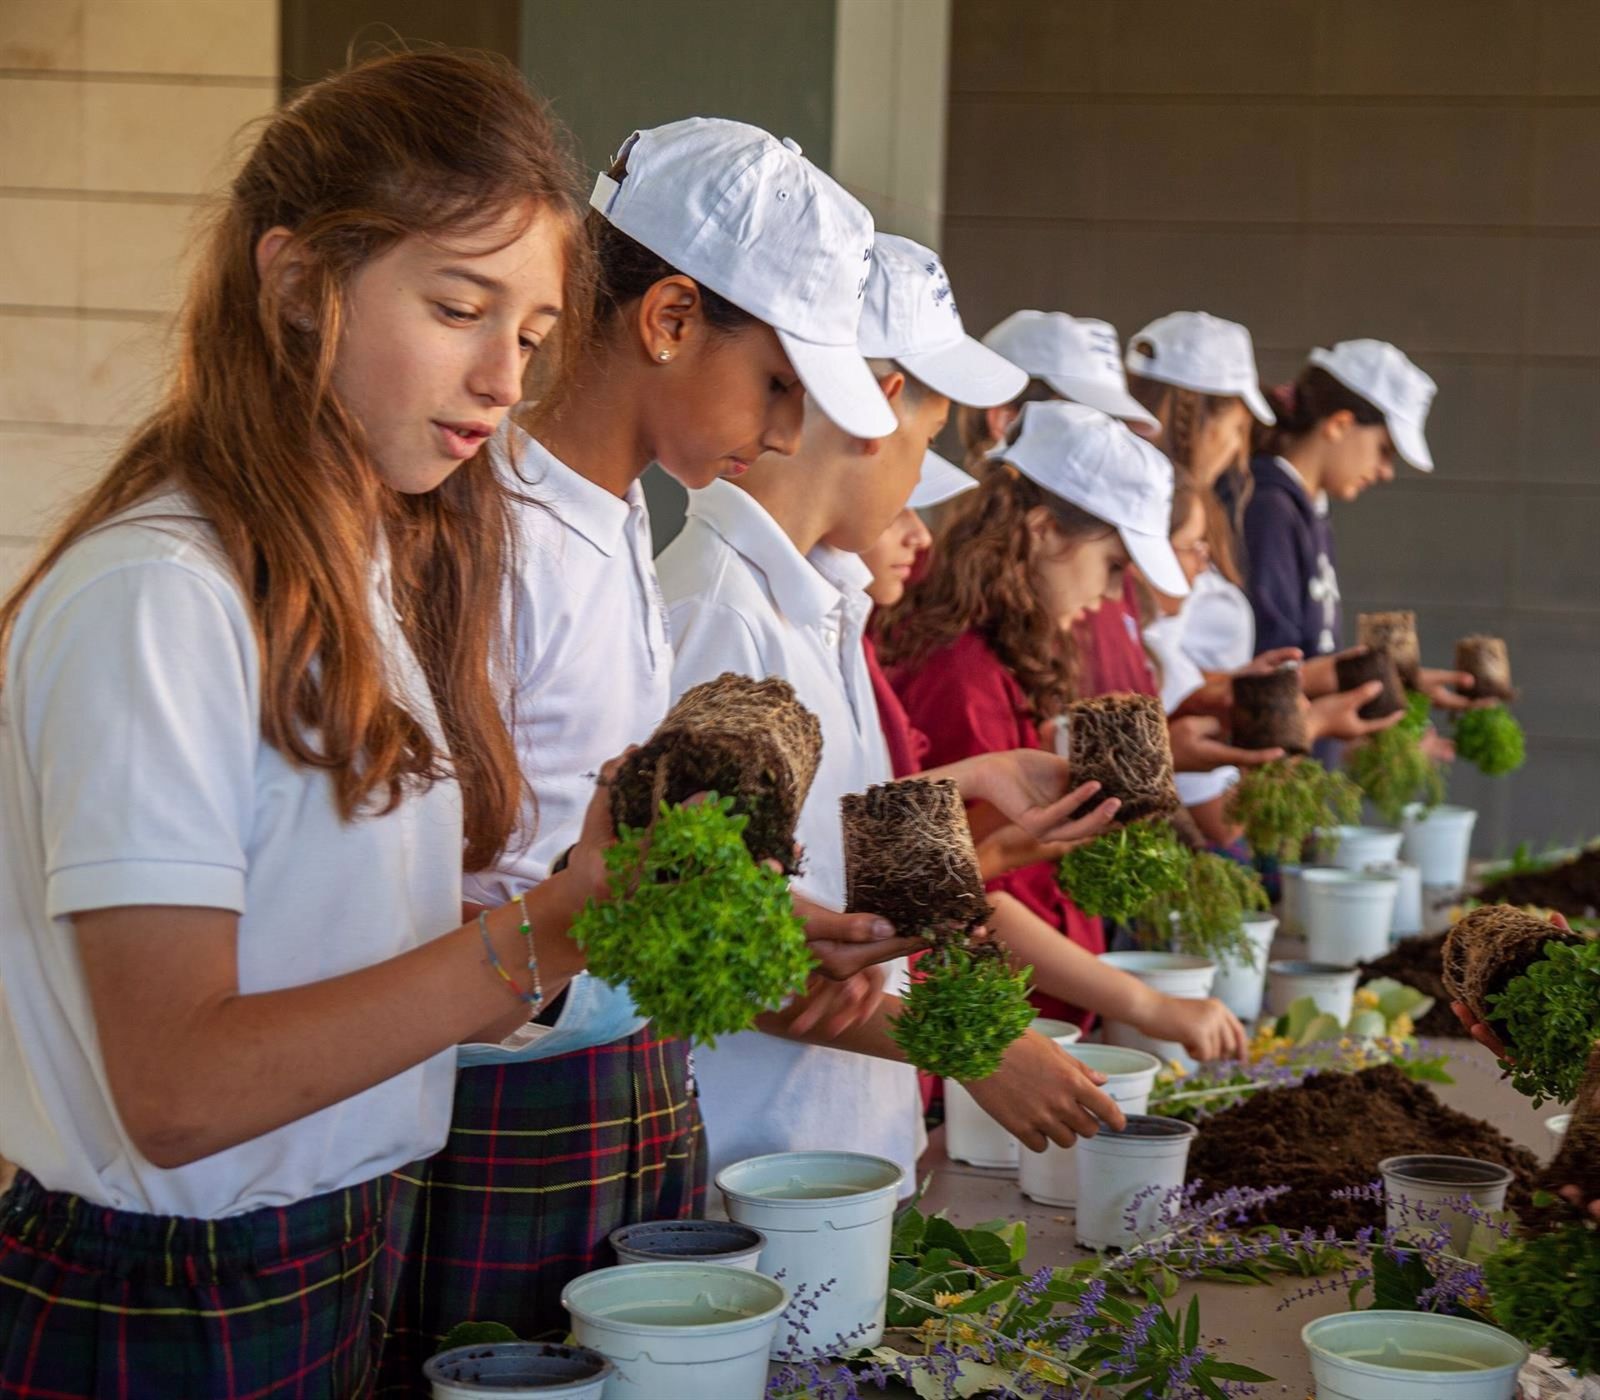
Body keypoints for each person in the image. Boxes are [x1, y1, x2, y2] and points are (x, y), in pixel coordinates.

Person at [0, 51, 609, 1396]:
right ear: (292, 283)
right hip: (169, 1296)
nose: (504, 380)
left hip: (336, 1246)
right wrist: (545, 930)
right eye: (460, 306)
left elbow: (338, 965)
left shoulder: (358, 583)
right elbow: (180, 1088)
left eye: (531, 334)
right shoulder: (163, 598)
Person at [379, 117, 907, 1371]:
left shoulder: (610, 516)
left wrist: (762, 925)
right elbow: (446, 873)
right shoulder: (491, 537)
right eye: (776, 385)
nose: (785, 436)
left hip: (619, 1063)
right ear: (668, 318)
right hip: (507, 1088)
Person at [658, 237, 1132, 1190]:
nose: (923, 490)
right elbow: (704, 928)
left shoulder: (826, 600)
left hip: (838, 1140)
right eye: (926, 446)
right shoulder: (715, 611)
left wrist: (965, 787)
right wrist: (980, 1044)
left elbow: (821, 847)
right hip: (764, 1164)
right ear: (874, 411)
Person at [863, 461, 1247, 1062]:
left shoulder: (1010, 652)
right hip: (987, 1031)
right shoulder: (961, 677)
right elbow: (961, 883)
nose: (1110, 597)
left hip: (1028, 1015)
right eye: (1112, 567)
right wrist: (1146, 1004)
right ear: (1042, 531)